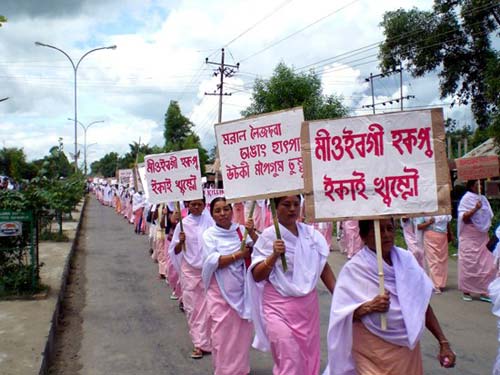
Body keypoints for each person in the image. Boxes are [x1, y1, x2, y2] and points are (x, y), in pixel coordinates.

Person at [323, 219, 456, 375]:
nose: (386, 235)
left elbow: (421, 305)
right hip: (370, 351)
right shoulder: (354, 269)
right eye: (379, 230)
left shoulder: (407, 261)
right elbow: (342, 315)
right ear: (364, 236)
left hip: (406, 350)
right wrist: (369, 307)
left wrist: (443, 341)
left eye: (389, 229)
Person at [247, 195, 336, 375]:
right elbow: (257, 276)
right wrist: (273, 256)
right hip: (277, 308)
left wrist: (341, 295)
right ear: (275, 207)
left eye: (296, 204)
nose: (292, 209)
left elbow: (322, 266)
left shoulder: (311, 236)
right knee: (289, 356)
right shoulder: (268, 236)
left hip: (307, 308)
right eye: (286, 205)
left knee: (308, 356)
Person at [201, 197, 258, 375]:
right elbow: (212, 261)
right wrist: (237, 255)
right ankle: (224, 370)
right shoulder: (209, 235)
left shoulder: (241, 231)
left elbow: (260, 249)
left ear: (232, 210)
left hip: (241, 290)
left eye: (226, 209)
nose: (223, 213)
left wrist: (253, 234)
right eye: (218, 210)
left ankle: (240, 370)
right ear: (212, 214)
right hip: (219, 291)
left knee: (241, 334)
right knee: (222, 335)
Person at [169, 198, 214, 359]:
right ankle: (198, 343)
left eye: (199, 204)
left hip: (208, 271)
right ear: (188, 205)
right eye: (193, 204)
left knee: (209, 309)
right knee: (193, 309)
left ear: (204, 205)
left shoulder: (210, 220)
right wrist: (181, 242)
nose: (196, 207)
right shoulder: (183, 224)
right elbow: (174, 250)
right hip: (189, 271)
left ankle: (209, 342)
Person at [458, 180, 496, 302]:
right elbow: (464, 217)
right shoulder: (466, 199)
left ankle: (484, 291)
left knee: (486, 264)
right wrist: (475, 209)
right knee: (469, 262)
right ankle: (466, 290)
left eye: (480, 185)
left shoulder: (483, 198)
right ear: (470, 186)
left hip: (482, 235)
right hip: (469, 235)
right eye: (476, 185)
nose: (479, 187)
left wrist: (482, 212)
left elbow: (489, 215)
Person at [416, 214, 453, 293]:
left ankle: (441, 284)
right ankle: (435, 285)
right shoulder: (426, 209)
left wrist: (450, 233)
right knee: (433, 261)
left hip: (443, 236)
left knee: (442, 261)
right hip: (430, 235)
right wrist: (429, 223)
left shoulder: (444, 209)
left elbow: (447, 223)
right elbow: (419, 226)